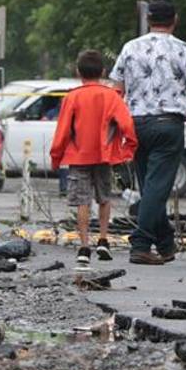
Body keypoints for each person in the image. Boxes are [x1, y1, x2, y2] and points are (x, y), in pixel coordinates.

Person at [111, 0, 186, 266]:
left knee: (151, 187)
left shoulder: (129, 48)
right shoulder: (185, 50)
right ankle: (140, 243)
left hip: (135, 124)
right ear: (175, 20)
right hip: (167, 125)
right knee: (157, 189)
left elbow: (117, 89)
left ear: (148, 19)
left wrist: (115, 126)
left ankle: (165, 243)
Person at [50, 50, 138, 267]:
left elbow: (62, 133)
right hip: (104, 156)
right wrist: (127, 151)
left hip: (78, 156)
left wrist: (56, 158)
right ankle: (103, 239)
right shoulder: (112, 97)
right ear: (103, 72)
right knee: (104, 197)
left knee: (82, 201)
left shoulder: (72, 97)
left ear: (78, 71)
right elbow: (127, 126)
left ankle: (83, 246)